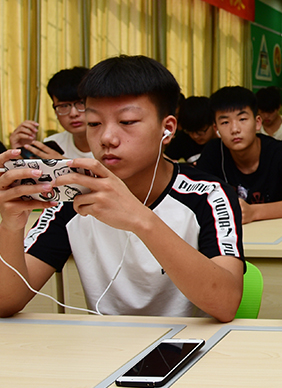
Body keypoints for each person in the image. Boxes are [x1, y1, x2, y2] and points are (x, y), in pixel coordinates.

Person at [0, 55, 244, 321]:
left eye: (127, 122)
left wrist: (140, 219)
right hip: (105, 344)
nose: (106, 138)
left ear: (167, 129)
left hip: (189, 342)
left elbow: (226, 303)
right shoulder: (73, 197)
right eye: (94, 124)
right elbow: (5, 302)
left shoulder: (208, 195)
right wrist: (10, 226)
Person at [196, 86, 282, 224]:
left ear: (257, 123)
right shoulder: (213, 153)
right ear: (216, 129)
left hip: (281, 230)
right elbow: (196, 202)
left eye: (242, 119)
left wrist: (253, 212)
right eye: (225, 122)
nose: (235, 129)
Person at [10, 67, 93, 160]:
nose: (73, 114)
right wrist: (24, 154)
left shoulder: (106, 142)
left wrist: (62, 164)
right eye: (64, 106)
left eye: (81, 103)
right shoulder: (52, 145)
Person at [164, 96, 215, 164]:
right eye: (190, 131)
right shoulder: (184, 138)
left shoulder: (222, 140)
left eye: (200, 131)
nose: (195, 136)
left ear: (213, 123)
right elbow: (165, 157)